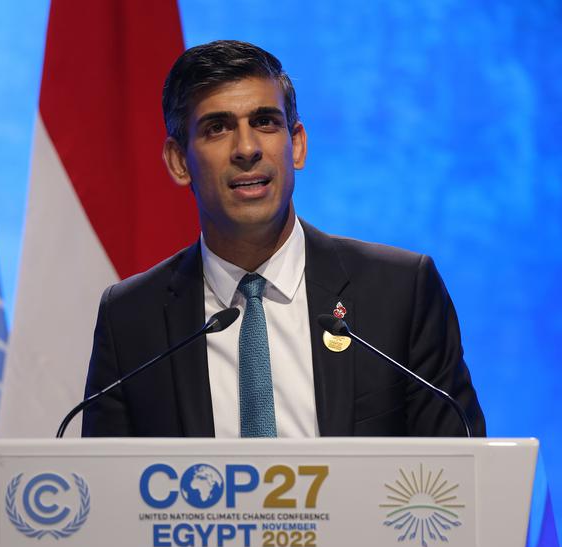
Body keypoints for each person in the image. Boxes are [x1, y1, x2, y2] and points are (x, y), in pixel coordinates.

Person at [81, 40, 485, 438]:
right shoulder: (132, 319)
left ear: (297, 145)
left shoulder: (400, 292)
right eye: (217, 127)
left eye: (265, 122)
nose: (247, 148)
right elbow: (108, 491)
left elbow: (460, 478)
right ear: (179, 161)